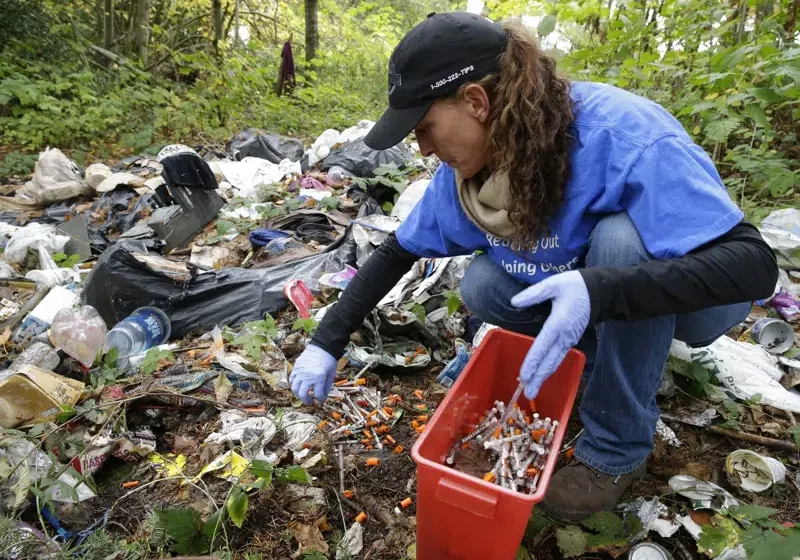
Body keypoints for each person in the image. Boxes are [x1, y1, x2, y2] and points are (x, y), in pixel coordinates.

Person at [290, 12, 778, 521]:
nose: (426, 149)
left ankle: (616, 452)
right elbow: (397, 252)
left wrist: (601, 291)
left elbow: (753, 267)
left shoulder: (621, 135)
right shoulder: (464, 178)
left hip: (695, 304)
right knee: (482, 285)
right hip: (598, 298)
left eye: (426, 128)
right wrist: (326, 343)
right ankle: (603, 364)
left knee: (619, 240)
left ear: (476, 102)